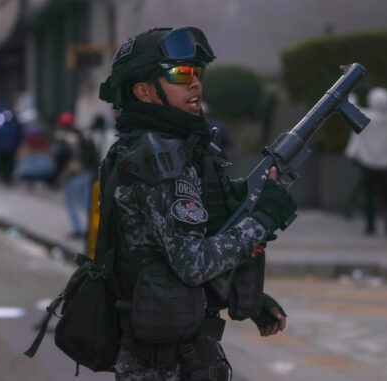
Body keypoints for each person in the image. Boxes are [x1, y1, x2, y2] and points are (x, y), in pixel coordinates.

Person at [97, 27, 296, 380]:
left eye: (196, 73)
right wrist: (264, 218)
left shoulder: (142, 148)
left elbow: (162, 252)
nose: (194, 84)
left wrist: (249, 300)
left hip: (162, 350)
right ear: (144, 91)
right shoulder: (161, 161)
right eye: (179, 73)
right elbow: (193, 263)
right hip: (167, 364)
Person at [345, 88, 387, 235]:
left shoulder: (368, 118)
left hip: (368, 162)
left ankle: (370, 225)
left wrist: (350, 91)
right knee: (386, 194)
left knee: (369, 194)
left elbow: (352, 109)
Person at [53, 111, 97, 238]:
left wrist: (56, 176)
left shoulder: (62, 135)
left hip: (72, 174)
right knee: (85, 201)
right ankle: (93, 229)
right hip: (87, 172)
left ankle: (78, 230)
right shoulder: (82, 134)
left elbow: (60, 157)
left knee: (71, 202)